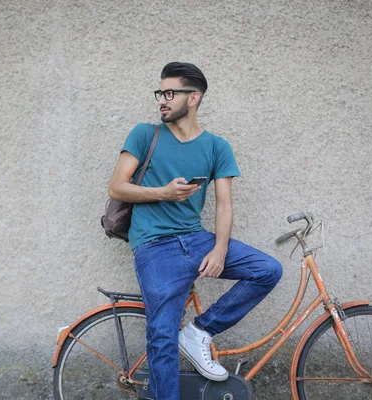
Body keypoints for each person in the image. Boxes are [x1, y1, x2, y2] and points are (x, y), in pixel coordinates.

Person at [108, 62, 283, 400]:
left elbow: (223, 205)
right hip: (155, 247)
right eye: (161, 93)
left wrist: (219, 249)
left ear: (194, 98)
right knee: (161, 335)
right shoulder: (145, 134)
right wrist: (162, 192)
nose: (162, 99)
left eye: (170, 93)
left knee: (267, 270)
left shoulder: (217, 147)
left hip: (197, 239)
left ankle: (200, 331)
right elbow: (116, 187)